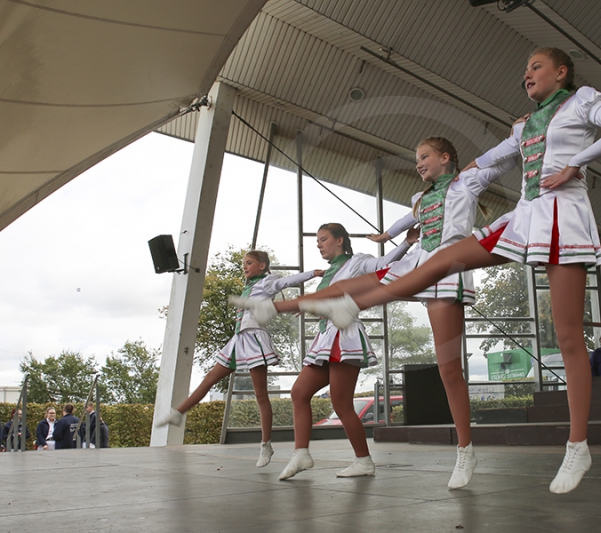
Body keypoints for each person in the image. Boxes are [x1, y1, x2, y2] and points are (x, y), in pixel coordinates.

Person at [247, 47, 601, 494]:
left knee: (562, 337)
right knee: (407, 273)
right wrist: (389, 234)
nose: (527, 73)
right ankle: (295, 307)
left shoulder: (581, 102)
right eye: (526, 67)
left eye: (536, 66)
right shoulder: (516, 130)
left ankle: (573, 445)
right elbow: (495, 156)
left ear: (562, 71)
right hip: (518, 218)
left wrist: (574, 164)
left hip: (561, 216)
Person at [352, 137, 514, 489]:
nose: (418, 163)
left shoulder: (467, 182)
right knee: (446, 367)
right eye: (416, 159)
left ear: (445, 158)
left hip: (450, 268)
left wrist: (491, 154)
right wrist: (385, 235)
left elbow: (506, 162)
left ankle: (465, 450)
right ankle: (465, 449)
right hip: (424, 268)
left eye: (424, 156)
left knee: (448, 368)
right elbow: (405, 219)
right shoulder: (420, 197)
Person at [240, 223, 416, 481]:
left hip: (344, 336)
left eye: (323, 239)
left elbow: (383, 263)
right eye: (317, 241)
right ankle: (301, 453)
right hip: (325, 337)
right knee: (299, 392)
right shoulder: (330, 272)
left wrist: (407, 243)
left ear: (340, 240)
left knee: (341, 403)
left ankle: (364, 460)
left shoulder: (356, 262)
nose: (319, 245)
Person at [155, 250, 323, 468]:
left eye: (249, 263)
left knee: (260, 395)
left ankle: (266, 444)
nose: (244, 266)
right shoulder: (248, 286)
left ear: (262, 265)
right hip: (238, 340)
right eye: (243, 263)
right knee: (210, 378)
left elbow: (287, 281)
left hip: (254, 339)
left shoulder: (266, 282)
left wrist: (313, 273)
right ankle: (179, 412)